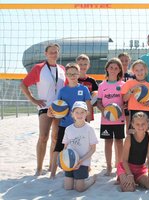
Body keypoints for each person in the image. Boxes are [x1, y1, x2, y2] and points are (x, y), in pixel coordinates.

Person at [20, 43, 66, 176]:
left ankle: (52, 166)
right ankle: (39, 168)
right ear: (46, 54)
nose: (53, 54)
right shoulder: (39, 68)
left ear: (58, 53)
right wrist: (33, 99)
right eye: (51, 52)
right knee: (43, 137)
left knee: (56, 138)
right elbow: (23, 85)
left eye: (56, 52)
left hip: (60, 108)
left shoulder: (62, 69)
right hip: (45, 107)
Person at [48, 63, 92, 178]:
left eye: (75, 73)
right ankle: (52, 173)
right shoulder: (62, 91)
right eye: (69, 74)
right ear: (66, 75)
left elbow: (88, 105)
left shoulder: (84, 89)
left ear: (79, 74)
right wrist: (50, 112)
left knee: (84, 147)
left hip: (81, 125)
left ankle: (86, 166)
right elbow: (56, 106)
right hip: (65, 124)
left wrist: (89, 120)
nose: (72, 76)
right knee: (60, 147)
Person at [116, 112, 149, 192]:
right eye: (137, 124)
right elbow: (124, 161)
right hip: (126, 168)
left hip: (140, 169)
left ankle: (137, 180)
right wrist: (129, 174)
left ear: (148, 123)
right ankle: (124, 177)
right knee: (129, 189)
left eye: (143, 124)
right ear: (132, 124)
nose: (140, 126)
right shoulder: (129, 138)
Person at [97, 58, 125, 176]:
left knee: (119, 141)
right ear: (107, 69)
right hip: (106, 119)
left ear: (119, 70)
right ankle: (108, 166)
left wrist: (121, 108)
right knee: (108, 142)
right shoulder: (102, 85)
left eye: (116, 68)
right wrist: (103, 110)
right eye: (111, 67)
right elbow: (98, 102)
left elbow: (125, 101)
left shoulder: (123, 85)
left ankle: (119, 166)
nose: (113, 70)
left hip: (119, 119)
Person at [62, 101, 98, 192]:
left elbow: (93, 149)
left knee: (79, 189)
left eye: (82, 112)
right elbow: (65, 148)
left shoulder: (89, 129)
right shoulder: (68, 129)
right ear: (72, 114)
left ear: (87, 113)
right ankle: (76, 178)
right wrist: (64, 161)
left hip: (82, 162)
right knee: (68, 187)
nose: (79, 114)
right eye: (77, 112)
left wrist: (81, 160)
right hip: (70, 162)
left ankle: (91, 180)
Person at [121, 59, 149, 135]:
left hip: (146, 112)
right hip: (133, 111)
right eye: (137, 70)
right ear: (133, 71)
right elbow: (124, 98)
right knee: (132, 134)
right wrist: (131, 90)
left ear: (145, 70)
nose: (139, 72)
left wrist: (148, 103)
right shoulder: (129, 83)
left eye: (141, 70)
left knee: (147, 134)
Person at [76, 54, 98, 121]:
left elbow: (97, 96)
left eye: (85, 64)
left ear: (89, 66)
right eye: (80, 64)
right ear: (76, 65)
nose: (83, 66)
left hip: (87, 112)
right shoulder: (73, 79)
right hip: (75, 111)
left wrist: (94, 99)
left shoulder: (92, 81)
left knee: (85, 130)